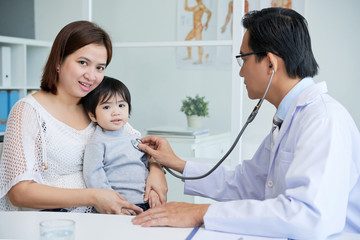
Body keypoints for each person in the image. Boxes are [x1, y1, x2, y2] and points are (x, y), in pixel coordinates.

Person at [132, 7, 360, 239]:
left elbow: (308, 217)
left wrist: (201, 213)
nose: (241, 73)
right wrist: (177, 163)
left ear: (270, 63)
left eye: (243, 59)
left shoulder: (323, 120)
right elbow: (245, 183)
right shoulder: (290, 118)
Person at [0, 20, 167, 214]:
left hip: (106, 221)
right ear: (58, 61)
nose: (92, 76)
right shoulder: (28, 111)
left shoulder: (98, 108)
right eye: (83, 63)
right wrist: (94, 196)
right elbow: (19, 193)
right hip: (56, 224)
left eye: (100, 67)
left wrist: (156, 170)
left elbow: (136, 145)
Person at [81, 76, 163, 212]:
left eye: (121, 105)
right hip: (121, 207)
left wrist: (153, 191)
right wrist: (114, 204)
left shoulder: (134, 139)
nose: (116, 112)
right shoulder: (97, 143)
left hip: (147, 202)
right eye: (107, 107)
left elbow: (147, 168)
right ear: (92, 116)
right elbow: (94, 177)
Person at [183, 0, 211, 64]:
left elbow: (209, 13)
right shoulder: (196, 6)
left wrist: (207, 23)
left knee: (199, 43)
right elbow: (186, 8)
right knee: (187, 40)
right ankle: (189, 56)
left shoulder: (201, 6)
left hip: (198, 27)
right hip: (195, 27)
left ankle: (200, 60)